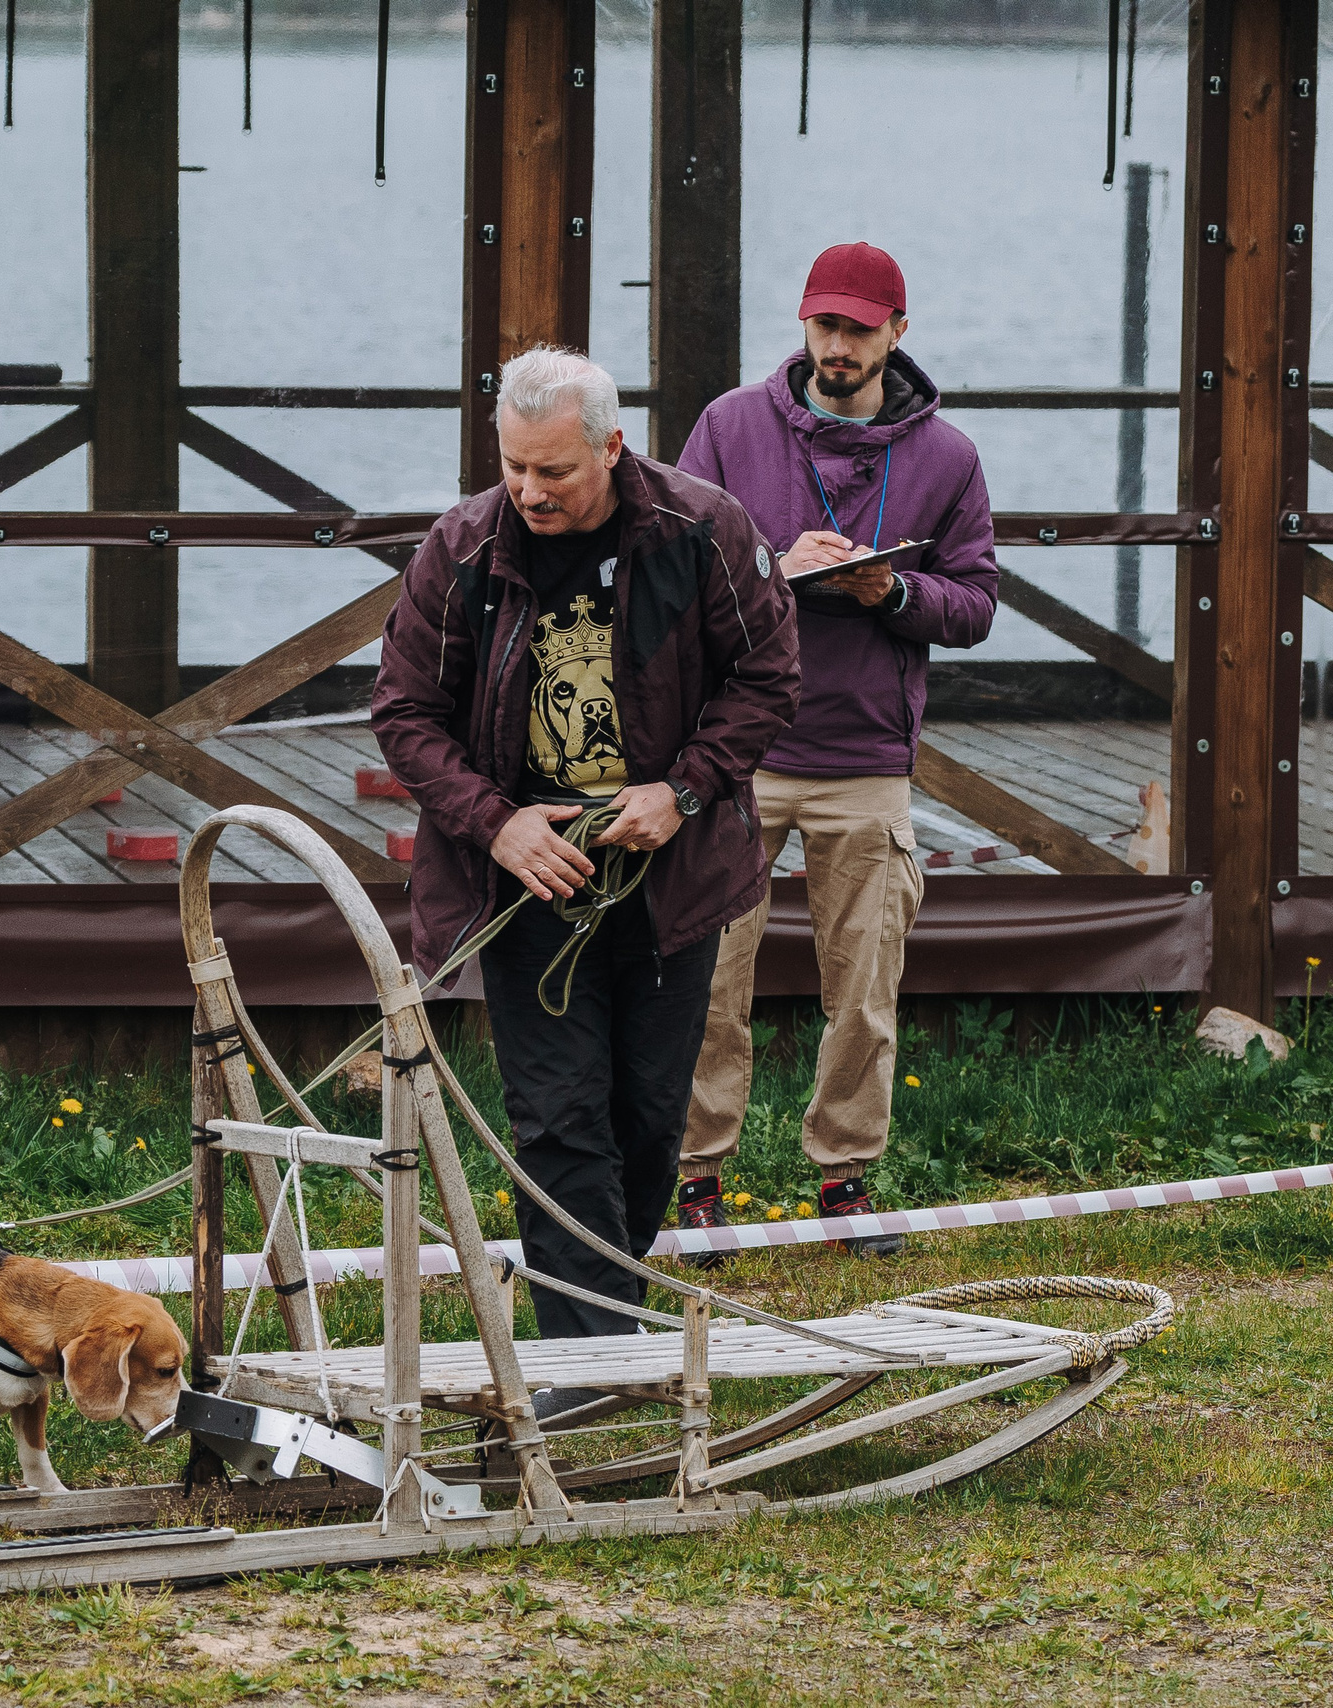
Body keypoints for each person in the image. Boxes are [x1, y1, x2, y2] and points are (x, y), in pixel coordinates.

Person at [372, 346, 798, 1370]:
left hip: (671, 883)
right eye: (514, 467)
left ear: (611, 447)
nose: (529, 491)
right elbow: (404, 711)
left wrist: (683, 790)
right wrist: (496, 821)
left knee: (648, 1122)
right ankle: (591, 1361)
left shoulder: (705, 531)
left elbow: (769, 676)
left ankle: (607, 1320)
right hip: (530, 886)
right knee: (560, 1121)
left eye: (553, 471)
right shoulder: (462, 549)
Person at [671, 241, 1001, 1256]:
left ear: (898, 332)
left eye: (860, 329)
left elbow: (977, 603)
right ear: (803, 323)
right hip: (734, 751)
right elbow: (668, 561)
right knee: (702, 976)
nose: (839, 345)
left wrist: (889, 590)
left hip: (864, 761)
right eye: (825, 324)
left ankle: (846, 1177)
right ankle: (690, 1177)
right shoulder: (729, 426)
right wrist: (773, 567)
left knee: (863, 987)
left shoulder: (948, 457)